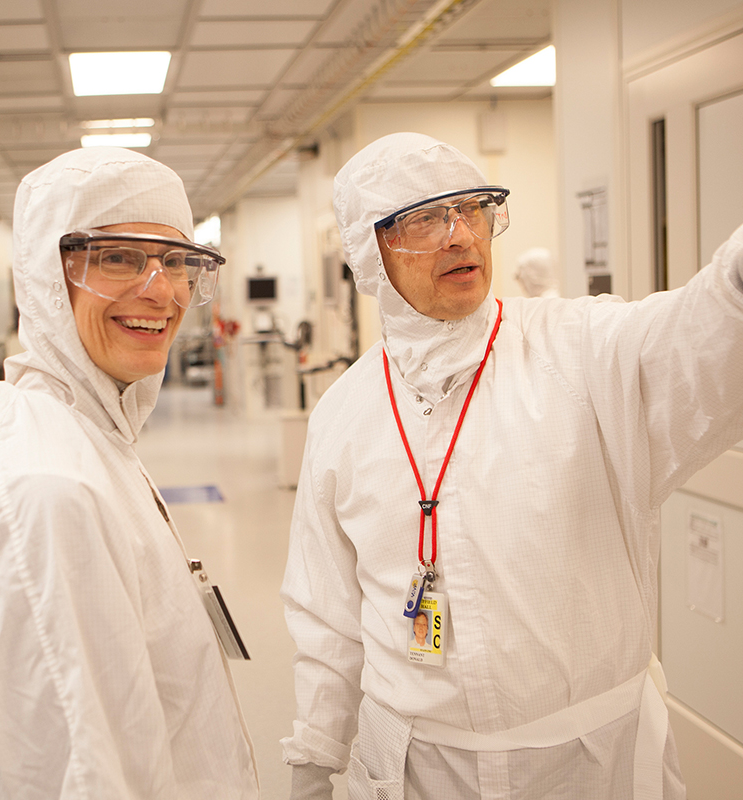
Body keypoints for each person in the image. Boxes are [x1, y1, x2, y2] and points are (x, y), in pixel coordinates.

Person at [281, 132, 743, 799]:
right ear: (369, 251)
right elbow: (326, 614)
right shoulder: (342, 416)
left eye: (473, 209)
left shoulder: (579, 350)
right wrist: (314, 761)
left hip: (589, 766)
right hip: (414, 769)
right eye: (425, 219)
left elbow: (694, 340)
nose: (461, 235)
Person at [0, 147, 259, 799]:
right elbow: (81, 774)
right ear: (41, 273)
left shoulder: (90, 434)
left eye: (176, 261)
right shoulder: (48, 486)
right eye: (117, 256)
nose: (162, 289)